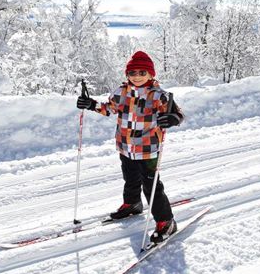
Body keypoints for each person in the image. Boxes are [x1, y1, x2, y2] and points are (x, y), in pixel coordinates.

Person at [76, 50, 184, 243]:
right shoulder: (120, 92)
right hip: (125, 146)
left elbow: (177, 114)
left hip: (148, 150)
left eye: (142, 73)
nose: (137, 77)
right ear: (127, 75)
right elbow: (109, 108)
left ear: (151, 74)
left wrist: (172, 119)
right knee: (131, 179)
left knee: (151, 186)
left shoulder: (160, 96)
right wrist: (91, 104)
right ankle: (132, 204)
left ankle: (166, 221)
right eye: (133, 73)